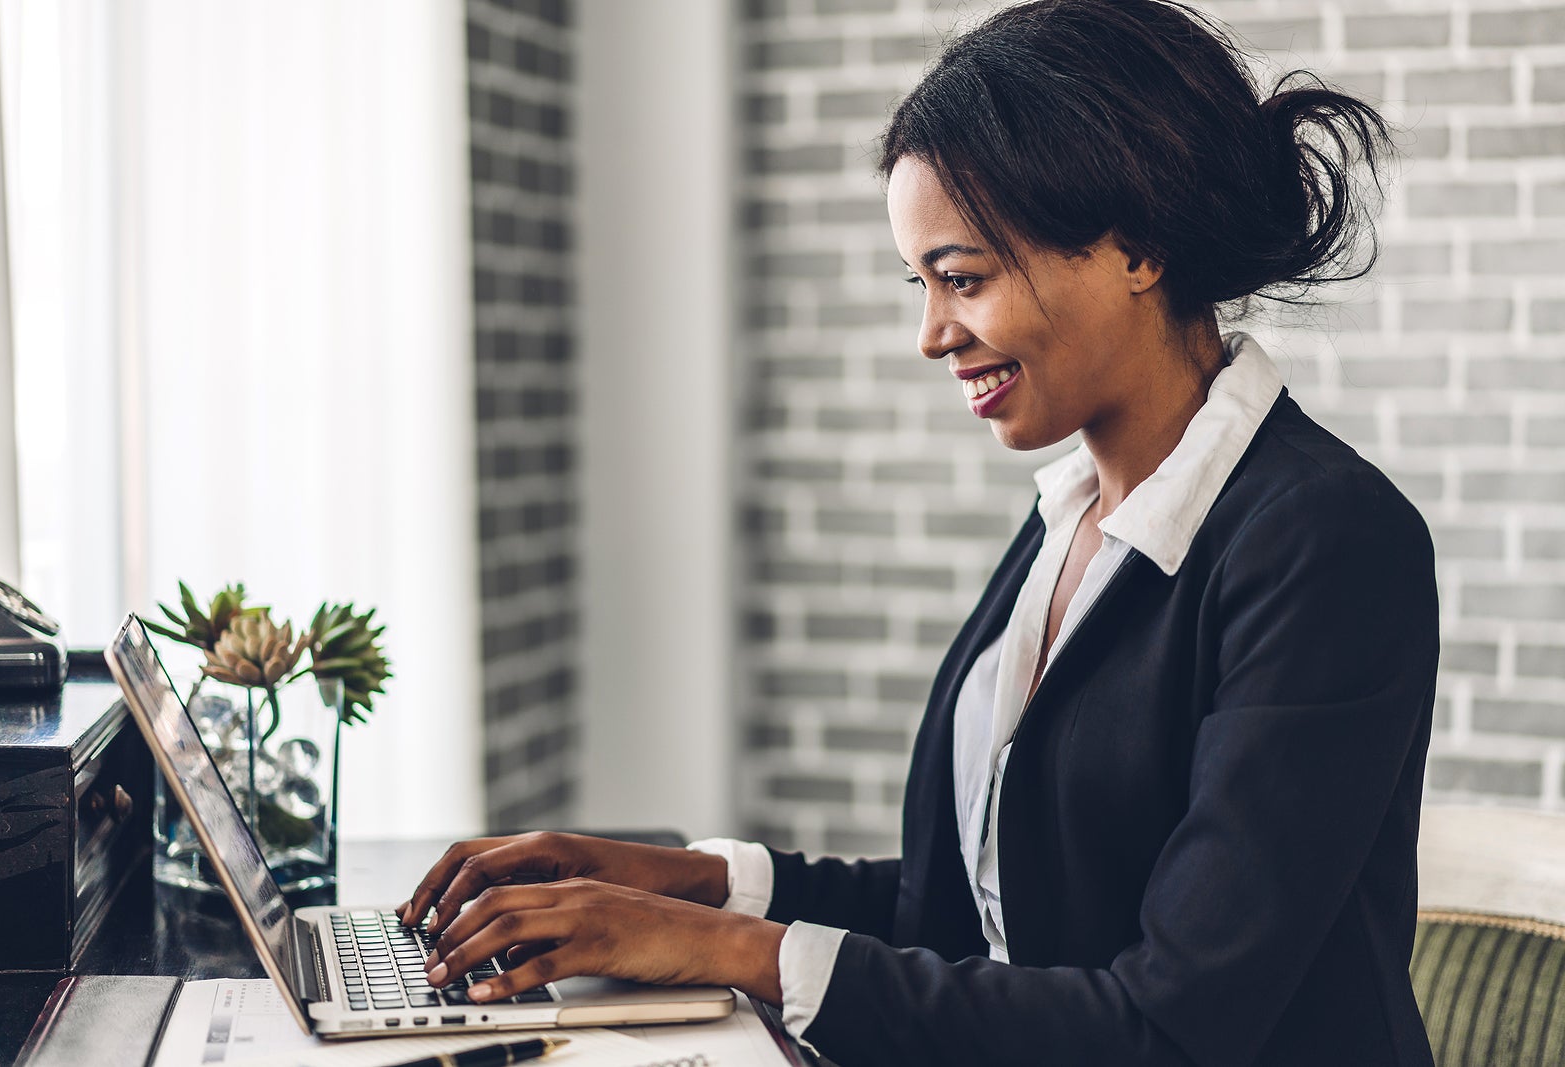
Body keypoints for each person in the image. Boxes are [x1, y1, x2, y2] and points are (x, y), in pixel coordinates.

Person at [398, 1, 1439, 1063]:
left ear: (1138, 246)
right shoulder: (1076, 514)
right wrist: (681, 882)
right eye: (922, 282)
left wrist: (729, 947)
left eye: (964, 276)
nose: (932, 332)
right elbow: (982, 910)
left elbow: (1168, 1025)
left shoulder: (1325, 544)